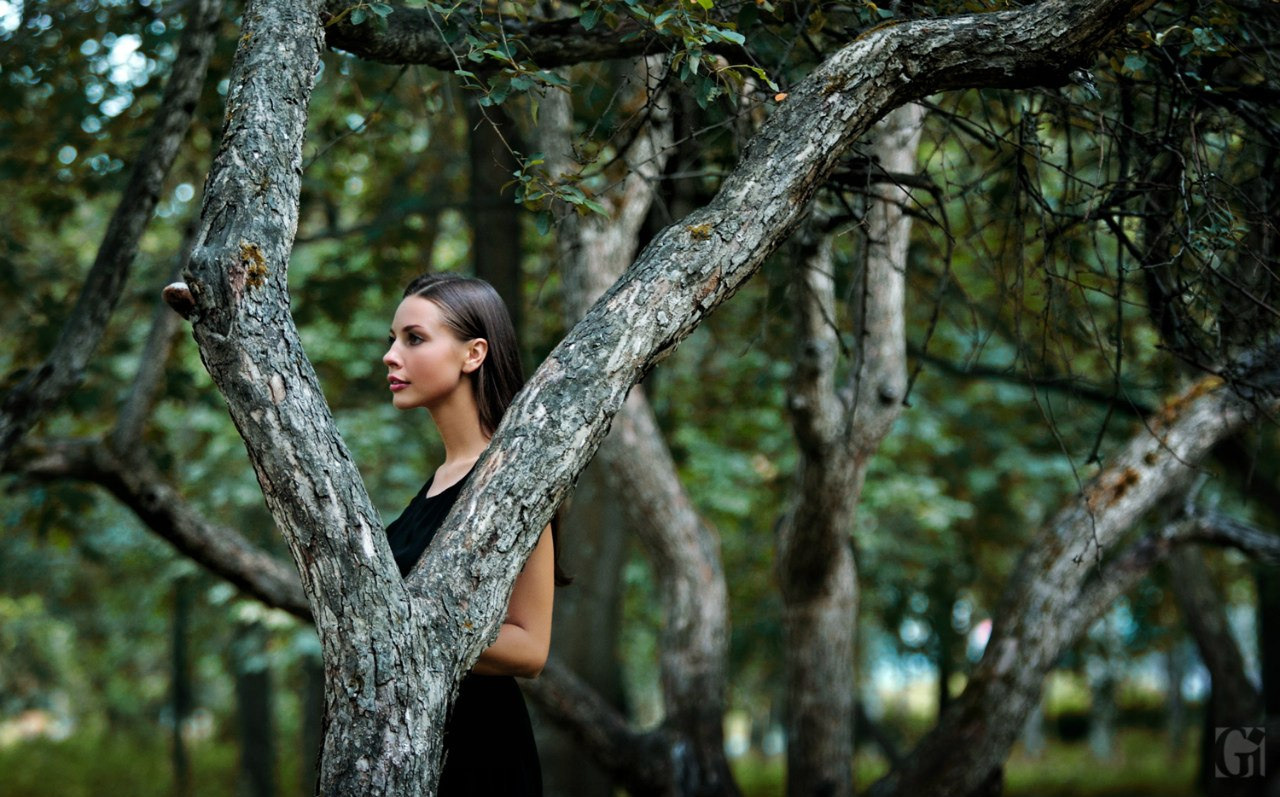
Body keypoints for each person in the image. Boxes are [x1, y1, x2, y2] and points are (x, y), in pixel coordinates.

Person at [382, 273, 558, 796]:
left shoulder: (512, 479)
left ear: (473, 354)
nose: (392, 356)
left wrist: (409, 630)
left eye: (414, 339)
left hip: (483, 758)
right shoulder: (435, 484)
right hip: (407, 751)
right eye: (392, 340)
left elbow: (531, 647)